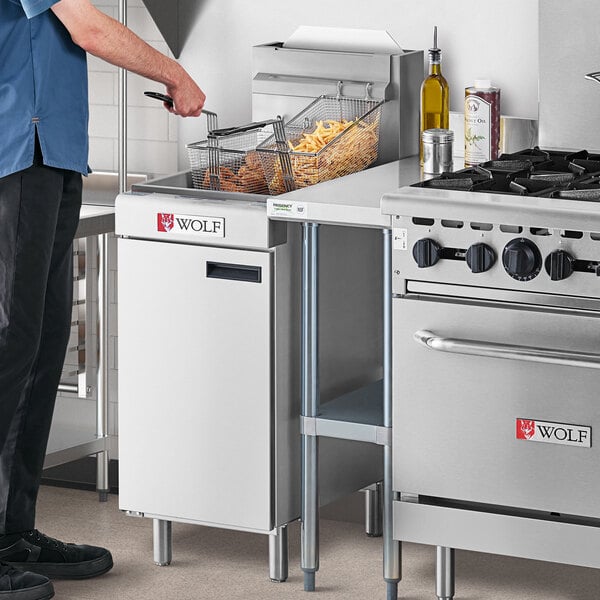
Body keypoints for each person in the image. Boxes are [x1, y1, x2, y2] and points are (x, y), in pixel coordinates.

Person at [0, 0, 205, 597]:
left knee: (39, 349)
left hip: (53, 151)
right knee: (11, 345)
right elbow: (87, 27)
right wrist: (175, 74)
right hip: (15, 153)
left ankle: (13, 534)